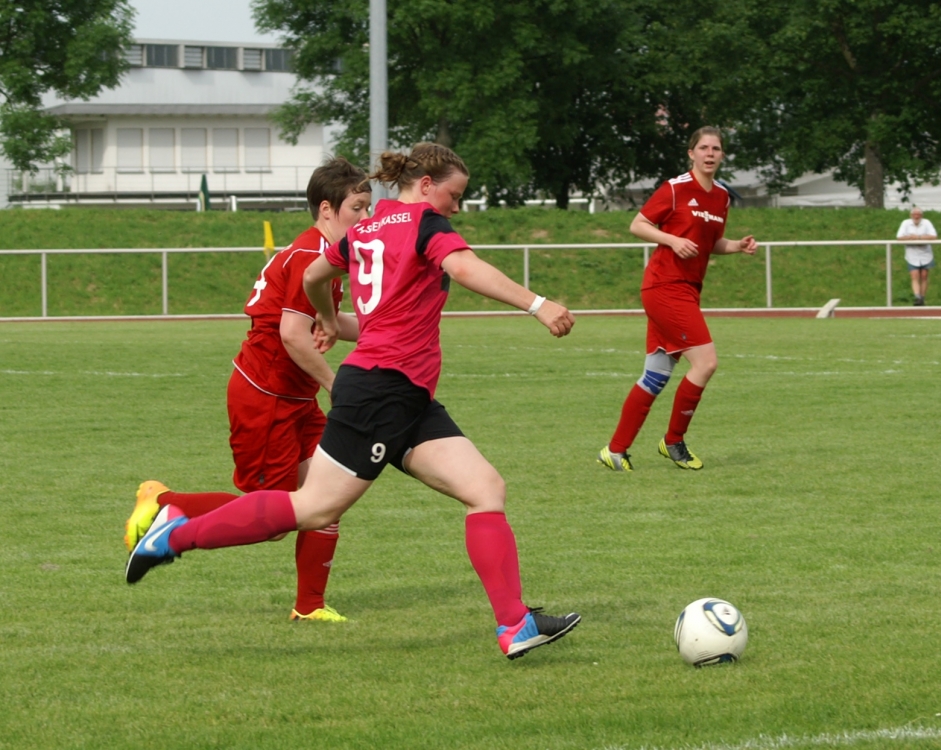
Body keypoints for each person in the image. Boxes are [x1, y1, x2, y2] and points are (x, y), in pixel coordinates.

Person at [125, 142, 581, 661]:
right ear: (427, 186)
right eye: (455, 195)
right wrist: (538, 304)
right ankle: (173, 539)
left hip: (407, 393)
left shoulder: (365, 230)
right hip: (381, 389)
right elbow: (465, 269)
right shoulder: (426, 225)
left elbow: (318, 277)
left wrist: (325, 317)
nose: (458, 207)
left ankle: (515, 624)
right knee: (315, 507)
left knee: (485, 487)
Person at [123, 156, 371, 623]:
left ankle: (310, 606)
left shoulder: (324, 257)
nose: (366, 218)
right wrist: (336, 385)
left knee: (328, 496)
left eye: (368, 207)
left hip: (295, 400)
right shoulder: (307, 257)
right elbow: (293, 334)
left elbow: (327, 322)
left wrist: (389, 328)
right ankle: (160, 504)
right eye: (357, 207)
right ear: (326, 209)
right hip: (267, 398)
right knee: (273, 519)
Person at [598, 126, 757, 472]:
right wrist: (671, 241)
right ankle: (673, 441)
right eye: (703, 147)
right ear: (692, 153)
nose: (710, 153)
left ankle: (615, 450)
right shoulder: (675, 188)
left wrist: (737, 247)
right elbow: (638, 224)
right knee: (706, 363)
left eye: (716, 148)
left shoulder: (721, 197)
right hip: (665, 287)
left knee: (655, 376)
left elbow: (711, 243)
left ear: (722, 155)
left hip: (687, 290)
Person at [896, 207, 937, 306]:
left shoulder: (927, 223)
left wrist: (918, 237)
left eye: (918, 214)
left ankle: (922, 297)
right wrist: (909, 238)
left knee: (924, 275)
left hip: (925, 254)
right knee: (914, 275)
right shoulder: (905, 223)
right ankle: (917, 297)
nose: (916, 216)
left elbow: (934, 236)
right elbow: (899, 237)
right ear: (911, 216)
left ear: (921, 216)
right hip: (912, 254)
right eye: (914, 214)